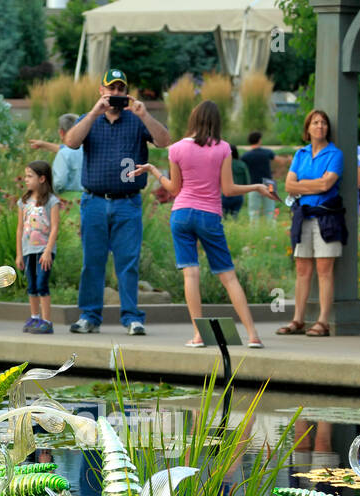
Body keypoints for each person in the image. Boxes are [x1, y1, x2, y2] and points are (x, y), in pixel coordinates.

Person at [133, 100, 272, 348]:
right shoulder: (223, 149)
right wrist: (256, 187)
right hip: (209, 216)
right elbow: (228, 190)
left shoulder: (176, 148)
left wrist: (154, 171)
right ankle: (253, 335)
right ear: (217, 122)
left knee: (191, 274)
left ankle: (198, 335)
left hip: (182, 214)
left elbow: (174, 189)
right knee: (228, 277)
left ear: (193, 119)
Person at [65, 67, 171, 335]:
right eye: (110, 88)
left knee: (128, 262)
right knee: (92, 262)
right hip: (95, 201)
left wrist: (145, 114)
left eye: (120, 89)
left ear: (127, 92)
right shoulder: (89, 118)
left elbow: (164, 141)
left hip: (128, 202)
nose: (115, 93)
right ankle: (89, 316)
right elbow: (71, 142)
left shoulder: (137, 120)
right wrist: (93, 113)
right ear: (101, 91)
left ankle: (132, 318)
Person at [277, 109, 345, 337]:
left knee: (325, 270)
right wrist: (313, 184)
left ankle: (323, 321)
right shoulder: (300, 154)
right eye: (315, 123)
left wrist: (303, 184)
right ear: (307, 128)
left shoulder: (335, 154)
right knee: (302, 269)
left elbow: (327, 185)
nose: (320, 127)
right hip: (302, 216)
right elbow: (288, 185)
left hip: (326, 218)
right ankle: (298, 319)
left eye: (323, 123)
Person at [15, 160, 60, 333]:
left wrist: (48, 250)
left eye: (29, 176)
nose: (26, 179)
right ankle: (34, 318)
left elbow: (55, 226)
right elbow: (20, 228)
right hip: (28, 250)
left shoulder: (52, 201)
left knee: (42, 283)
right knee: (32, 284)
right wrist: (19, 253)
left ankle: (47, 321)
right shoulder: (24, 201)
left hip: (44, 251)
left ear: (42, 179)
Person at [29, 113, 84, 202]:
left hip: (67, 201)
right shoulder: (88, 150)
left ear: (61, 132)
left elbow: (60, 183)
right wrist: (43, 144)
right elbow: (69, 150)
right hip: (87, 199)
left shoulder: (63, 154)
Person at [243, 131, 276, 220]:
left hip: (253, 184)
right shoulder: (268, 152)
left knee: (253, 211)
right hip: (269, 184)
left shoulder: (246, 156)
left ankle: (254, 232)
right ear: (259, 140)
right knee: (270, 210)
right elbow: (277, 160)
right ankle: (272, 231)